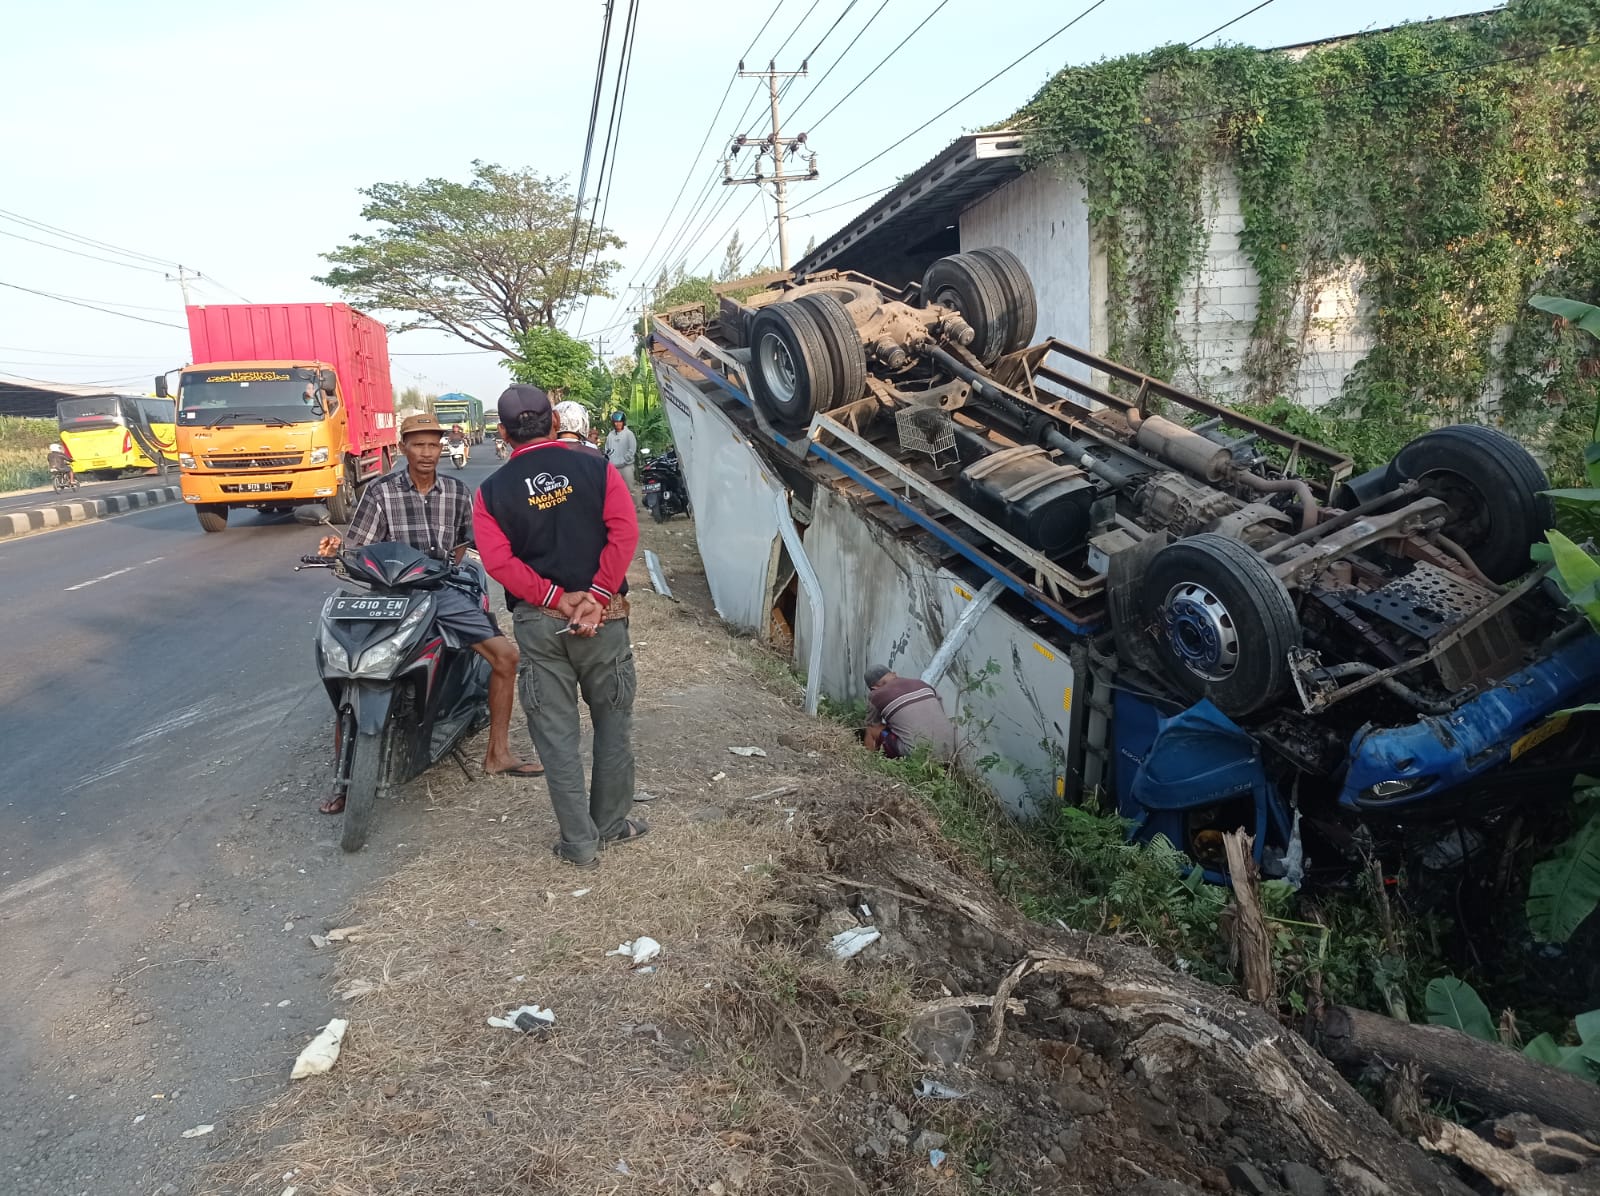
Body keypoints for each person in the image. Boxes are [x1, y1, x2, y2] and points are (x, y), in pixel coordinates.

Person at [314, 413, 541, 813]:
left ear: (443, 448)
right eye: (417, 444)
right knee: (352, 668)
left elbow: (473, 542)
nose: (426, 452)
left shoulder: (456, 491)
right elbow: (357, 549)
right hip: (389, 596)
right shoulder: (380, 493)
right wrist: (336, 552)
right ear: (402, 448)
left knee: (506, 657)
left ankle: (498, 753)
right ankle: (342, 780)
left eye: (433, 445)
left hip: (441, 592)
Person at [475, 384, 643, 869]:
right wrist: (597, 595)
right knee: (613, 724)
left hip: (540, 625)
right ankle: (611, 825)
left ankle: (580, 844)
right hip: (603, 622)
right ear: (554, 421)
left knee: (556, 735)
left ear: (503, 434)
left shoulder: (490, 493)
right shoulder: (597, 467)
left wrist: (551, 596)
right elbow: (624, 530)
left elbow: (498, 561)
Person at [863, 665, 958, 763]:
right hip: (951, 750)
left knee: (871, 730)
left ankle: (868, 763)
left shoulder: (875, 695)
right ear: (894, 674)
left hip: (919, 755)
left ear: (874, 687)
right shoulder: (922, 684)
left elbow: (873, 724)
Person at [604, 411, 638, 496]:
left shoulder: (628, 434)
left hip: (626, 467)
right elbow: (607, 450)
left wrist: (625, 460)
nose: (617, 424)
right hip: (614, 467)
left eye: (619, 422)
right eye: (615, 422)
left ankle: (635, 508)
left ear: (623, 422)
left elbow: (632, 449)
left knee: (630, 490)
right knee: (616, 490)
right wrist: (609, 462)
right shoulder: (610, 435)